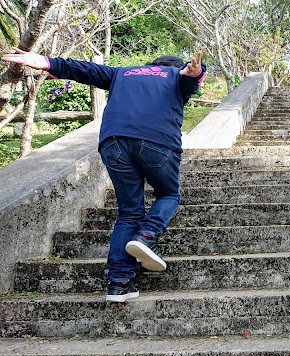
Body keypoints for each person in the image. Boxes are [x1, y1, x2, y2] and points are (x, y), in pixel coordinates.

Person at [1, 46, 207, 303]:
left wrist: (45, 61)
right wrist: (195, 74)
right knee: (168, 194)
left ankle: (119, 284)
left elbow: (82, 69)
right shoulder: (177, 75)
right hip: (158, 142)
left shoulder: (123, 72)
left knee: (129, 212)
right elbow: (190, 81)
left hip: (113, 142)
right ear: (175, 67)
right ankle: (146, 235)